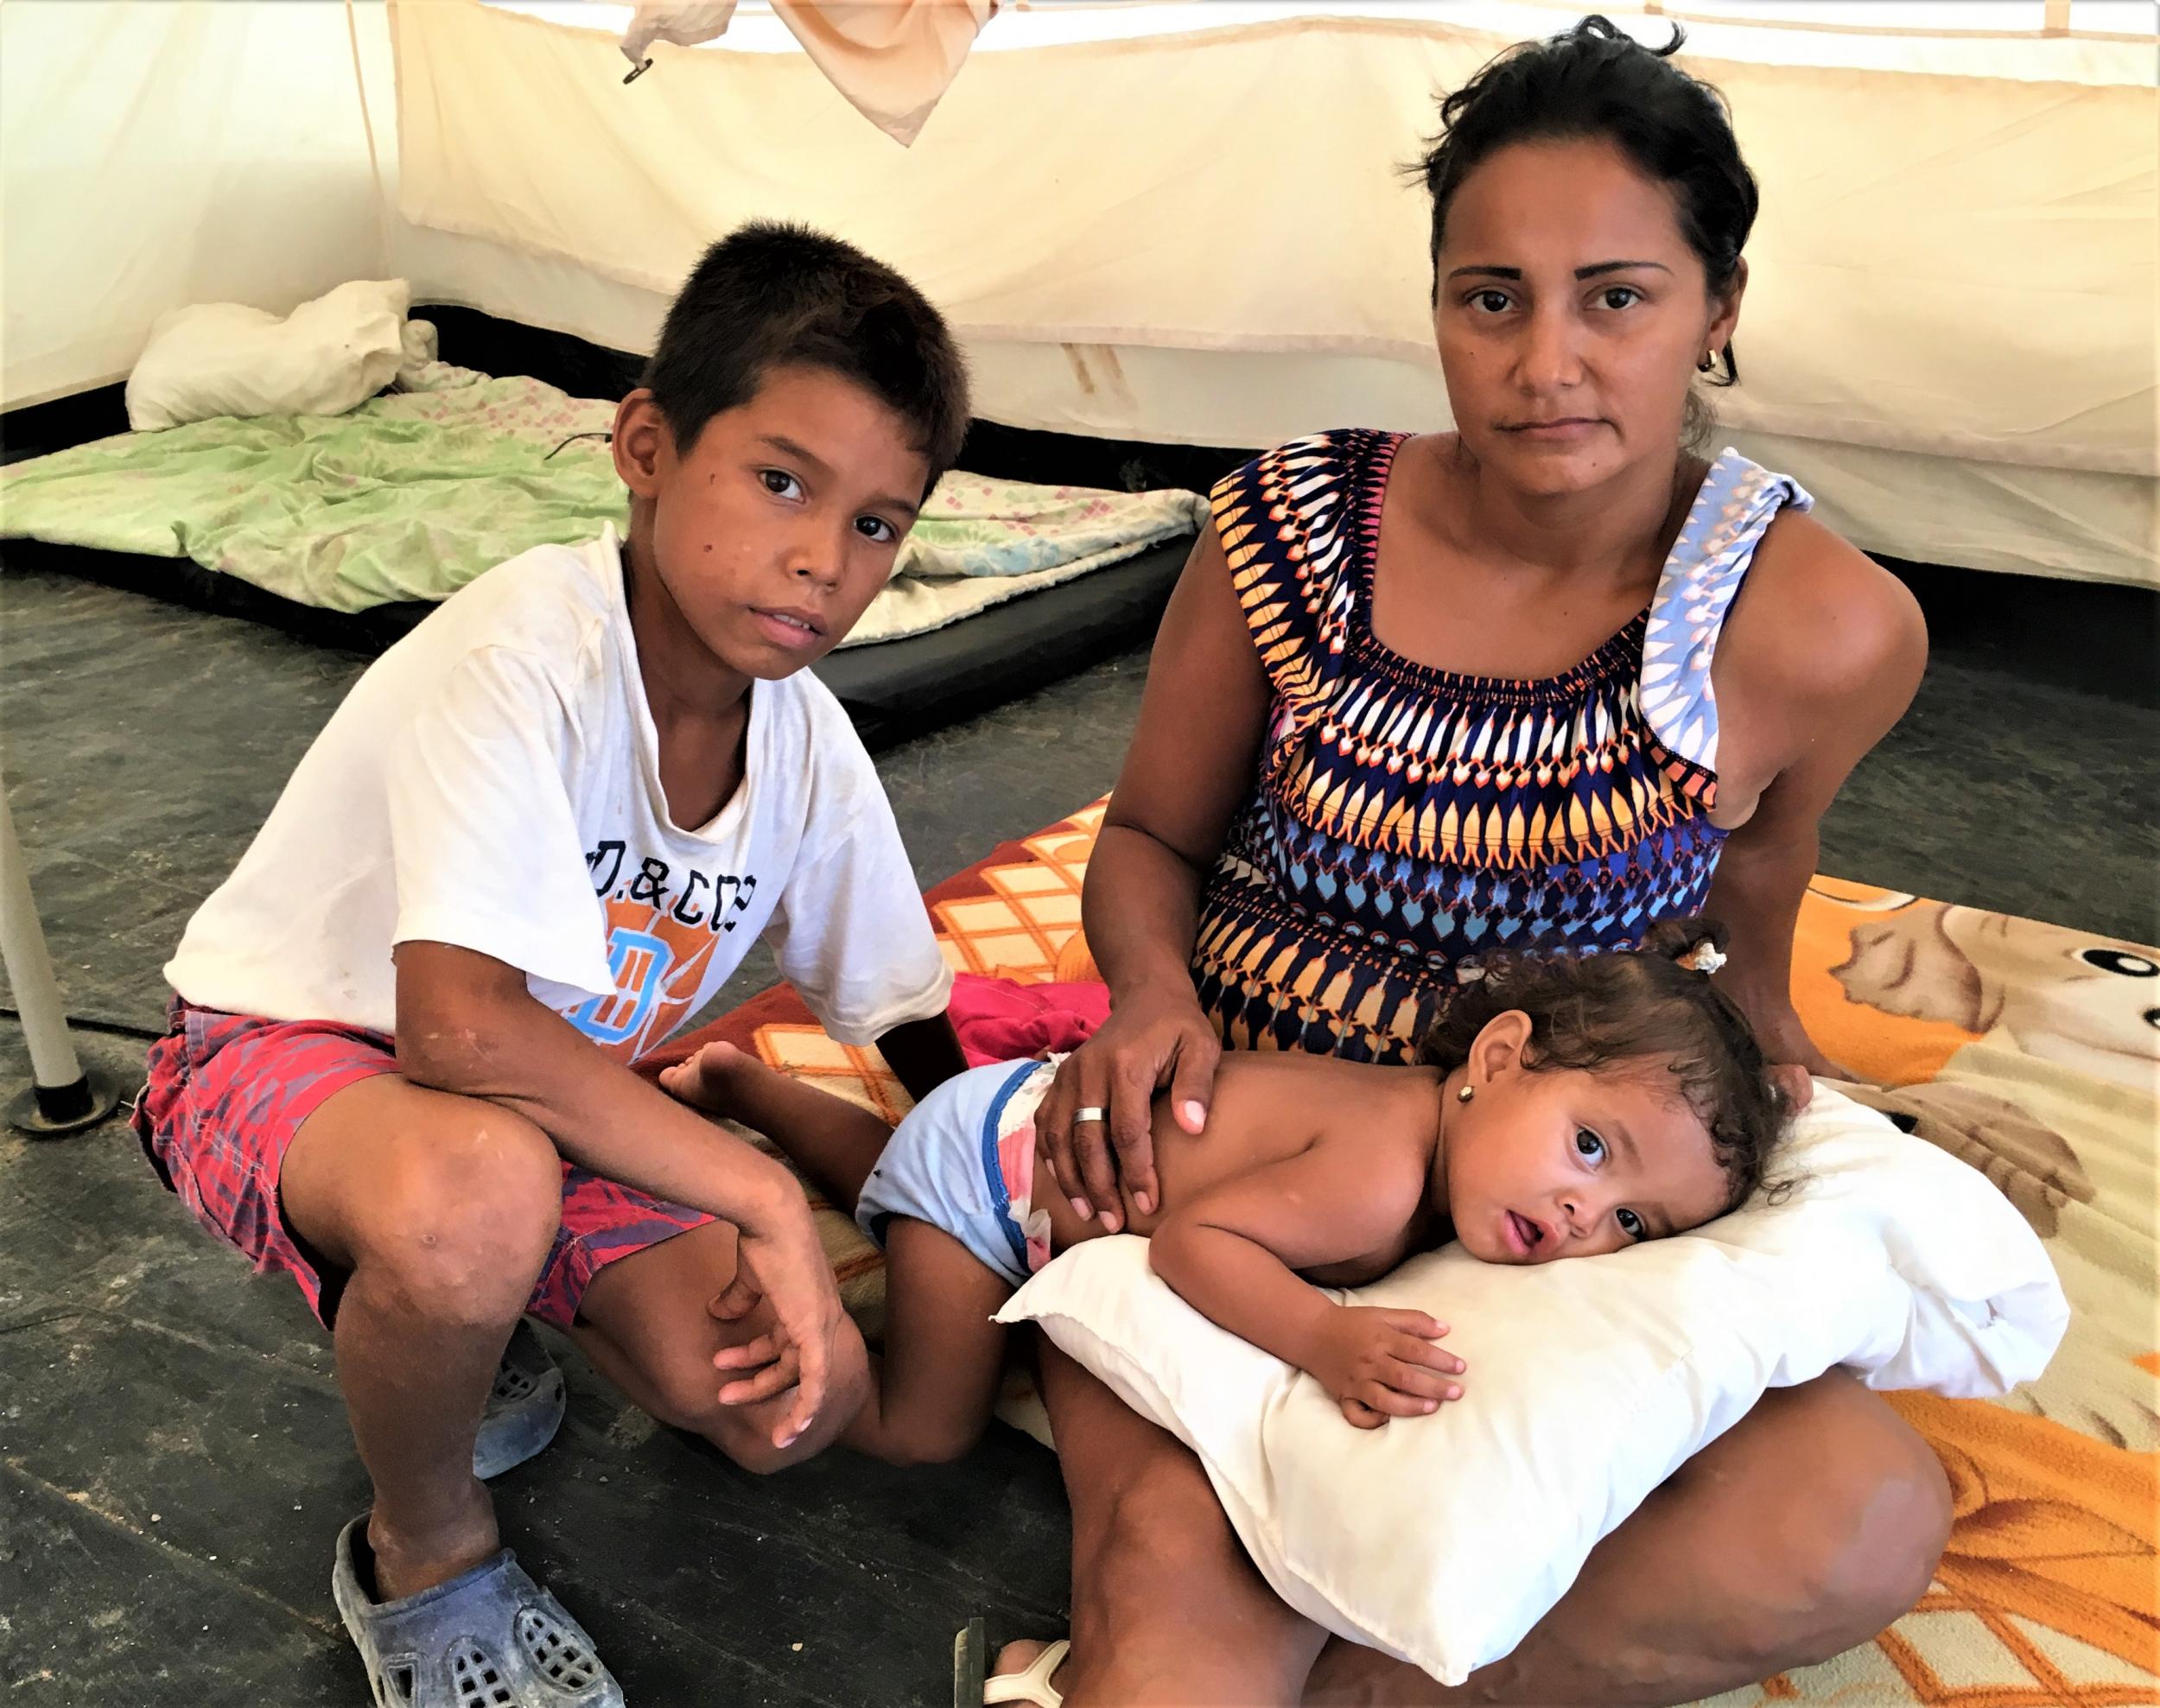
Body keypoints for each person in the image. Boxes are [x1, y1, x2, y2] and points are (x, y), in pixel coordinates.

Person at [997, 17, 1941, 1706]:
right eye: (1487, 295)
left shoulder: (1818, 621)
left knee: (1853, 1516)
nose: (1543, 359)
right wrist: (1145, 995)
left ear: (1716, 310)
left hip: (1555, 1199)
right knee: (1174, 1651)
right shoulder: (1281, 529)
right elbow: (1145, 834)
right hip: (1253, 1175)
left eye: (1616, 295)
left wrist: (1768, 1029)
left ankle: (1370, 1678)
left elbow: (1758, 874)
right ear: (1434, 302)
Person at [130, 222, 973, 1705]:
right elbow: (455, 1032)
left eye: (876, 526)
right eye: (782, 481)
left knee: (785, 1406)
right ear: (645, 445)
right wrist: (765, 1191)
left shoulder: (808, 744)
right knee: (471, 1200)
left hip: (538, 1100)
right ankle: (426, 1546)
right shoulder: (525, 648)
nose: (820, 561)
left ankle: (463, 1314)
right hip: (301, 1060)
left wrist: (1003, 1184)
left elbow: (903, 1008)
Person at [665, 919, 1788, 1464]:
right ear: (1496, 1060)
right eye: (1592, 1145)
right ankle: (806, 1350)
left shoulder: (1431, 1139)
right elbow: (1195, 1243)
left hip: (1010, 1118)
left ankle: (743, 1081)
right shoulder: (1384, 1176)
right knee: (925, 1428)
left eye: (1636, 1221)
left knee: (894, 1170)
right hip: (995, 1189)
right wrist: (1321, 1338)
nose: (1589, 1215)